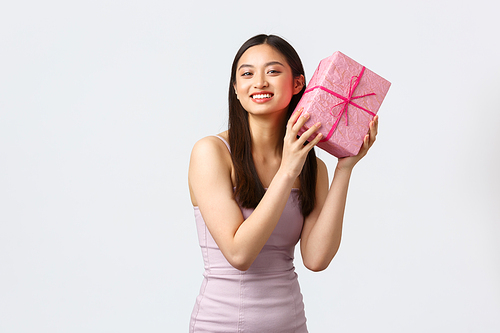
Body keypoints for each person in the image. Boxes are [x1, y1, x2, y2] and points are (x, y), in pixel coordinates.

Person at [188, 34, 378, 333]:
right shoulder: (211, 153)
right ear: (236, 89)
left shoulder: (312, 167)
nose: (259, 82)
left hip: (290, 325)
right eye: (247, 74)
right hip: (222, 325)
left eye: (273, 71)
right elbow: (239, 254)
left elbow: (316, 259)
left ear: (298, 84)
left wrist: (344, 167)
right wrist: (288, 170)